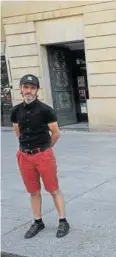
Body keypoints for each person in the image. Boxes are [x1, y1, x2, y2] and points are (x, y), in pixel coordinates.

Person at [10, 74, 70, 239]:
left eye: (32, 88)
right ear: (20, 89)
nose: (29, 91)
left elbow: (56, 133)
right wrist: (26, 148)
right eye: (26, 87)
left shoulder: (45, 110)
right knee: (33, 191)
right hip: (24, 156)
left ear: (37, 90)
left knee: (53, 189)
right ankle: (38, 221)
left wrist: (45, 149)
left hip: (43, 155)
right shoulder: (15, 111)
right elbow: (18, 132)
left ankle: (63, 220)